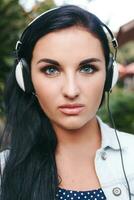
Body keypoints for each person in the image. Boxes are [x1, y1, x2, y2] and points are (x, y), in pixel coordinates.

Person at [0, 4, 134, 200]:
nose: (71, 91)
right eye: (51, 70)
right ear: (26, 80)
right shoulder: (4, 172)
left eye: (87, 68)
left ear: (109, 75)